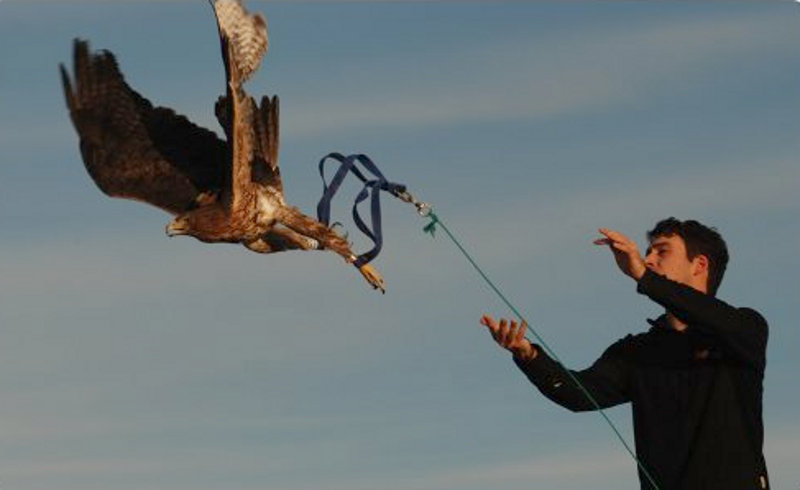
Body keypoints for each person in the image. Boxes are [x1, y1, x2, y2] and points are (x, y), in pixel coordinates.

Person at [481, 218, 769, 490]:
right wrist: (528, 354)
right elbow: (579, 394)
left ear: (699, 265)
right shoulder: (638, 350)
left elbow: (715, 317)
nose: (649, 260)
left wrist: (643, 277)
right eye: (648, 253)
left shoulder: (744, 329)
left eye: (662, 252)